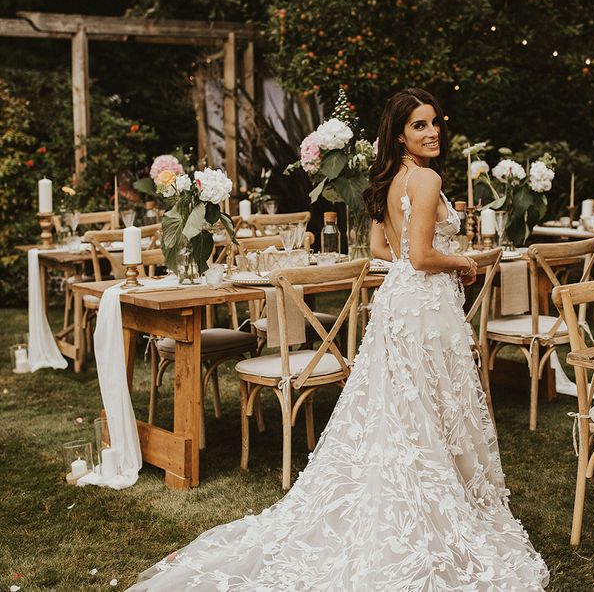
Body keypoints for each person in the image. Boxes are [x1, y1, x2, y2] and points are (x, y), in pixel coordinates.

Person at [129, 88, 549, 591]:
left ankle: (407, 492)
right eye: (419, 125)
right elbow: (419, 255)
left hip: (399, 302)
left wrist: (420, 272)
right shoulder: (429, 179)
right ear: (399, 133)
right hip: (424, 305)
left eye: (435, 122)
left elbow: (380, 248)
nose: (432, 132)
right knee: (433, 403)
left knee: (398, 407)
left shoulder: (386, 180)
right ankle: (435, 502)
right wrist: (460, 263)